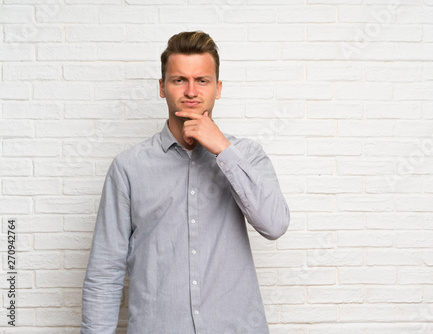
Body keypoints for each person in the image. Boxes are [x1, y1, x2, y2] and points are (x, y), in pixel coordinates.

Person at [81, 31, 290, 334]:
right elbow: (105, 272)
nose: (191, 91)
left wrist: (223, 150)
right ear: (162, 88)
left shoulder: (247, 156)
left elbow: (274, 224)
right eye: (179, 80)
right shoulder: (128, 168)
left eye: (202, 80)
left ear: (217, 89)